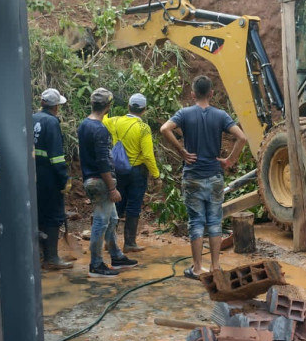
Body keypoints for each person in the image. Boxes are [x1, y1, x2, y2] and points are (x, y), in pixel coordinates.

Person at [160, 76, 247, 279]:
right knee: (215, 222)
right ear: (211, 94)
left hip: (192, 177)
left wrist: (182, 151)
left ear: (192, 94)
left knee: (196, 222)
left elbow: (165, 129)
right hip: (215, 176)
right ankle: (216, 267)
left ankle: (198, 268)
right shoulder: (221, 115)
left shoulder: (184, 113)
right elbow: (242, 137)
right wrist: (229, 160)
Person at [78, 88, 139, 278]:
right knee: (101, 221)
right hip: (101, 181)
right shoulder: (100, 129)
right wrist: (112, 188)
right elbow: (103, 162)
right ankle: (96, 264)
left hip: (91, 178)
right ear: (108, 106)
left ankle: (116, 256)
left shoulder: (84, 125)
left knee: (112, 219)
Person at [103, 92, 160, 252]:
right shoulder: (143, 128)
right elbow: (148, 155)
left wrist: (107, 107)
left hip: (118, 170)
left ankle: (110, 241)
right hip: (137, 172)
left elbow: (104, 119)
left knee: (117, 203)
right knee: (133, 205)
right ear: (144, 109)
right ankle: (129, 243)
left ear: (128, 106)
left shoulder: (115, 121)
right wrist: (156, 175)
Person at [33, 88, 72, 270]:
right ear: (56, 106)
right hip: (49, 176)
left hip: (32, 174)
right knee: (54, 215)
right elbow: (56, 156)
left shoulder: (32, 119)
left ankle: (40, 254)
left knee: (39, 213)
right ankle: (52, 258)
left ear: (42, 103)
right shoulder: (52, 122)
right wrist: (64, 178)